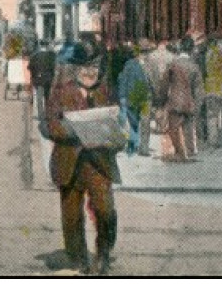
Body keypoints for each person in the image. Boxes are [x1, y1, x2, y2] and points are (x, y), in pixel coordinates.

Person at [45, 41, 121, 276]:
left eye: (95, 66)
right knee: (71, 217)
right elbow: (49, 125)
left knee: (106, 210)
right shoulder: (61, 90)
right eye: (85, 67)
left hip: (98, 161)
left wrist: (117, 138)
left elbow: (116, 123)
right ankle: (79, 258)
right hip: (69, 160)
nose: (91, 72)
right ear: (76, 69)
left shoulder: (105, 91)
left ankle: (104, 252)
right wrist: (75, 129)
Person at [161, 38, 201, 162]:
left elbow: (164, 84)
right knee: (188, 126)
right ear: (191, 49)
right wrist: (198, 104)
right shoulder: (194, 66)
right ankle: (190, 150)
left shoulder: (172, 65)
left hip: (175, 101)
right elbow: (199, 89)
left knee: (173, 127)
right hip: (189, 101)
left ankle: (178, 151)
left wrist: (162, 100)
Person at [115, 44, 152, 156]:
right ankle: (143, 148)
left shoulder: (125, 68)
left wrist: (122, 98)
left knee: (133, 123)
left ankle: (132, 146)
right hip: (144, 98)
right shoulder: (142, 66)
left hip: (131, 99)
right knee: (145, 123)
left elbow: (122, 83)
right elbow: (147, 81)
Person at [29, 44, 58, 119]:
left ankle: (40, 115)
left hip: (38, 79)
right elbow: (54, 67)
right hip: (49, 79)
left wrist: (34, 75)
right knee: (47, 97)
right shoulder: (52, 55)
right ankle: (48, 114)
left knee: (39, 97)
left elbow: (29, 67)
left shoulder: (34, 56)